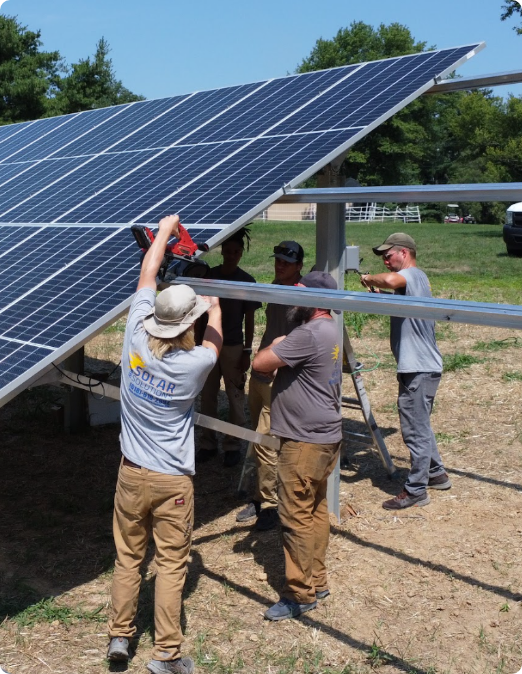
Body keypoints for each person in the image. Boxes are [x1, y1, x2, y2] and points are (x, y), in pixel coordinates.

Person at [107, 214, 222, 674]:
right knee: (172, 565)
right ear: (188, 322)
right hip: (173, 480)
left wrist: (165, 228)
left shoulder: (135, 336)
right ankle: (166, 655)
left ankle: (120, 637)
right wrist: (213, 304)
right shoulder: (193, 366)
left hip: (130, 473)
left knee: (127, 558)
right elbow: (214, 340)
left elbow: (147, 274)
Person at [252, 271, 343, 620]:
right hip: (324, 437)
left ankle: (299, 594)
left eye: (301, 294)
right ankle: (317, 580)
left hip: (303, 442)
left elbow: (259, 364)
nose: (294, 300)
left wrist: (275, 344)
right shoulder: (331, 329)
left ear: (317, 302)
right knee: (315, 509)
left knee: (293, 516)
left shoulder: (307, 334)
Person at [360, 232, 450, 510]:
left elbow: (389, 279)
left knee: (414, 430)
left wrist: (369, 278)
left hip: (419, 368)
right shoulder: (413, 282)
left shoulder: (411, 275)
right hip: (422, 366)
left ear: (404, 253)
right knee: (420, 424)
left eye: (388, 256)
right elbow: (398, 294)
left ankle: (416, 490)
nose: (385, 262)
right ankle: (436, 473)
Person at [236, 240, 304, 531]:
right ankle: (258, 494)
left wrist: (280, 367)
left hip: (278, 377)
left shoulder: (303, 297)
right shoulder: (275, 287)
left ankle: (269, 504)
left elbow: (304, 340)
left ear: (299, 266)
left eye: (286, 262)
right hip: (261, 373)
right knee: (257, 438)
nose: (280, 265)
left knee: (265, 441)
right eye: (277, 260)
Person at [197, 228, 262, 467]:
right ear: (222, 252)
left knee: (235, 397)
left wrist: (247, 350)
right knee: (207, 396)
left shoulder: (247, 281)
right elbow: (199, 316)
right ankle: (207, 443)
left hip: (234, 346)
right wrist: (196, 344)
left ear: (241, 253)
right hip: (207, 345)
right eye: (228, 251)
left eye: (236, 251)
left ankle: (233, 445)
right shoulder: (209, 276)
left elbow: (250, 319)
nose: (232, 255)